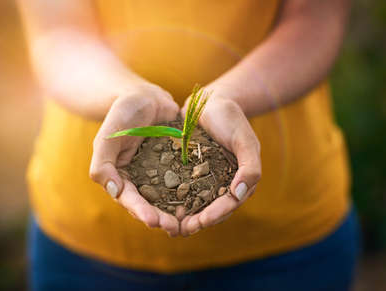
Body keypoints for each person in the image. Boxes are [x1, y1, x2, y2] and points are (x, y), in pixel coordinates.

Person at [19, 0, 360, 290]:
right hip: (87, 245)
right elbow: (58, 32)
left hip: (286, 239)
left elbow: (315, 19)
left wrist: (229, 97)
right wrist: (124, 95)